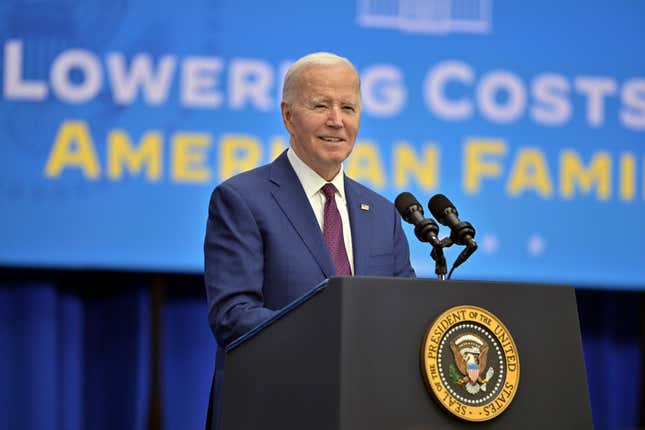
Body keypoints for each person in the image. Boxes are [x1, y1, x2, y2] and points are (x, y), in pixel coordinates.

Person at [203, 52, 415, 429]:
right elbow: (233, 315)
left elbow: (405, 315)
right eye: (321, 105)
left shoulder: (383, 213)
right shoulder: (242, 199)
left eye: (348, 107)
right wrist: (332, 343)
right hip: (272, 408)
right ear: (288, 116)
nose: (336, 120)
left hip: (366, 412)